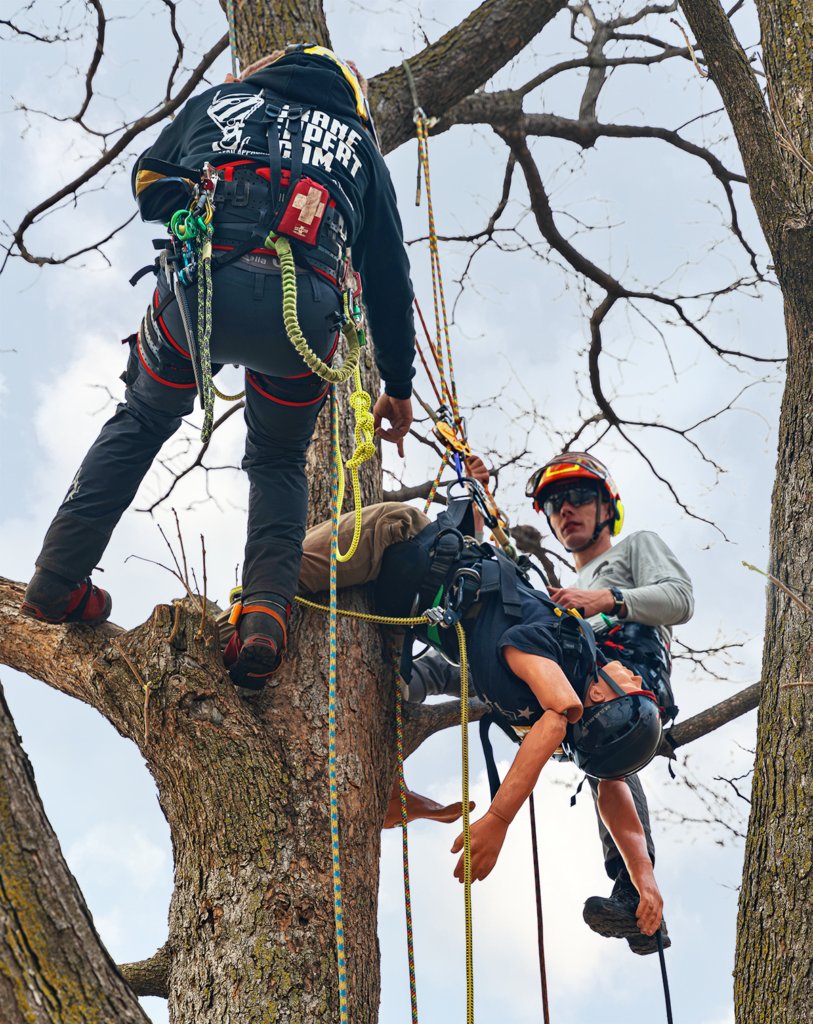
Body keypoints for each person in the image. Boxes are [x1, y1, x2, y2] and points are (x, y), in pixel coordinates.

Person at [20, 45, 417, 688]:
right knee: (278, 461)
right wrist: (397, 385)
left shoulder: (219, 101)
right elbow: (388, 278)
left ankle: (57, 579)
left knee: (145, 417)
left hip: (203, 290)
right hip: (306, 320)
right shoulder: (360, 144)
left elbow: (150, 184)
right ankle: (264, 617)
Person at [229, 498, 668, 942]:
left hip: (406, 602)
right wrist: (497, 819)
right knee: (282, 571)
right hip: (396, 539)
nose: (631, 673)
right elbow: (555, 718)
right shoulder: (564, 653)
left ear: (599, 697)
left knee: (378, 704)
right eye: (634, 680)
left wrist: (642, 875)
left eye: (631, 685)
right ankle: (223, 628)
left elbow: (613, 790)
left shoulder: (566, 702)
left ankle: (390, 790)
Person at [525, 451, 694, 953]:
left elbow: (679, 598)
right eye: (555, 503)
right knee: (602, 766)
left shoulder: (634, 549)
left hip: (630, 679)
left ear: (606, 507)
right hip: (583, 692)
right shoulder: (566, 594)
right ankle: (640, 903)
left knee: (609, 741)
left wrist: (611, 599)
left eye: (578, 497)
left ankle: (634, 892)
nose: (566, 510)